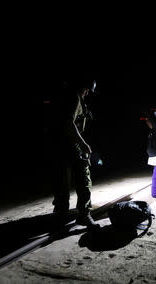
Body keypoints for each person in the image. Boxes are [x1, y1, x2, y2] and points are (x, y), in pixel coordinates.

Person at [51, 78, 100, 230]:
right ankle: (84, 215)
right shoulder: (74, 98)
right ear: (83, 88)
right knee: (84, 179)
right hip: (71, 146)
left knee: (62, 182)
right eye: (87, 91)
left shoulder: (66, 97)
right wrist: (83, 144)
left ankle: (60, 215)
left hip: (60, 146)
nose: (87, 94)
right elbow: (69, 123)